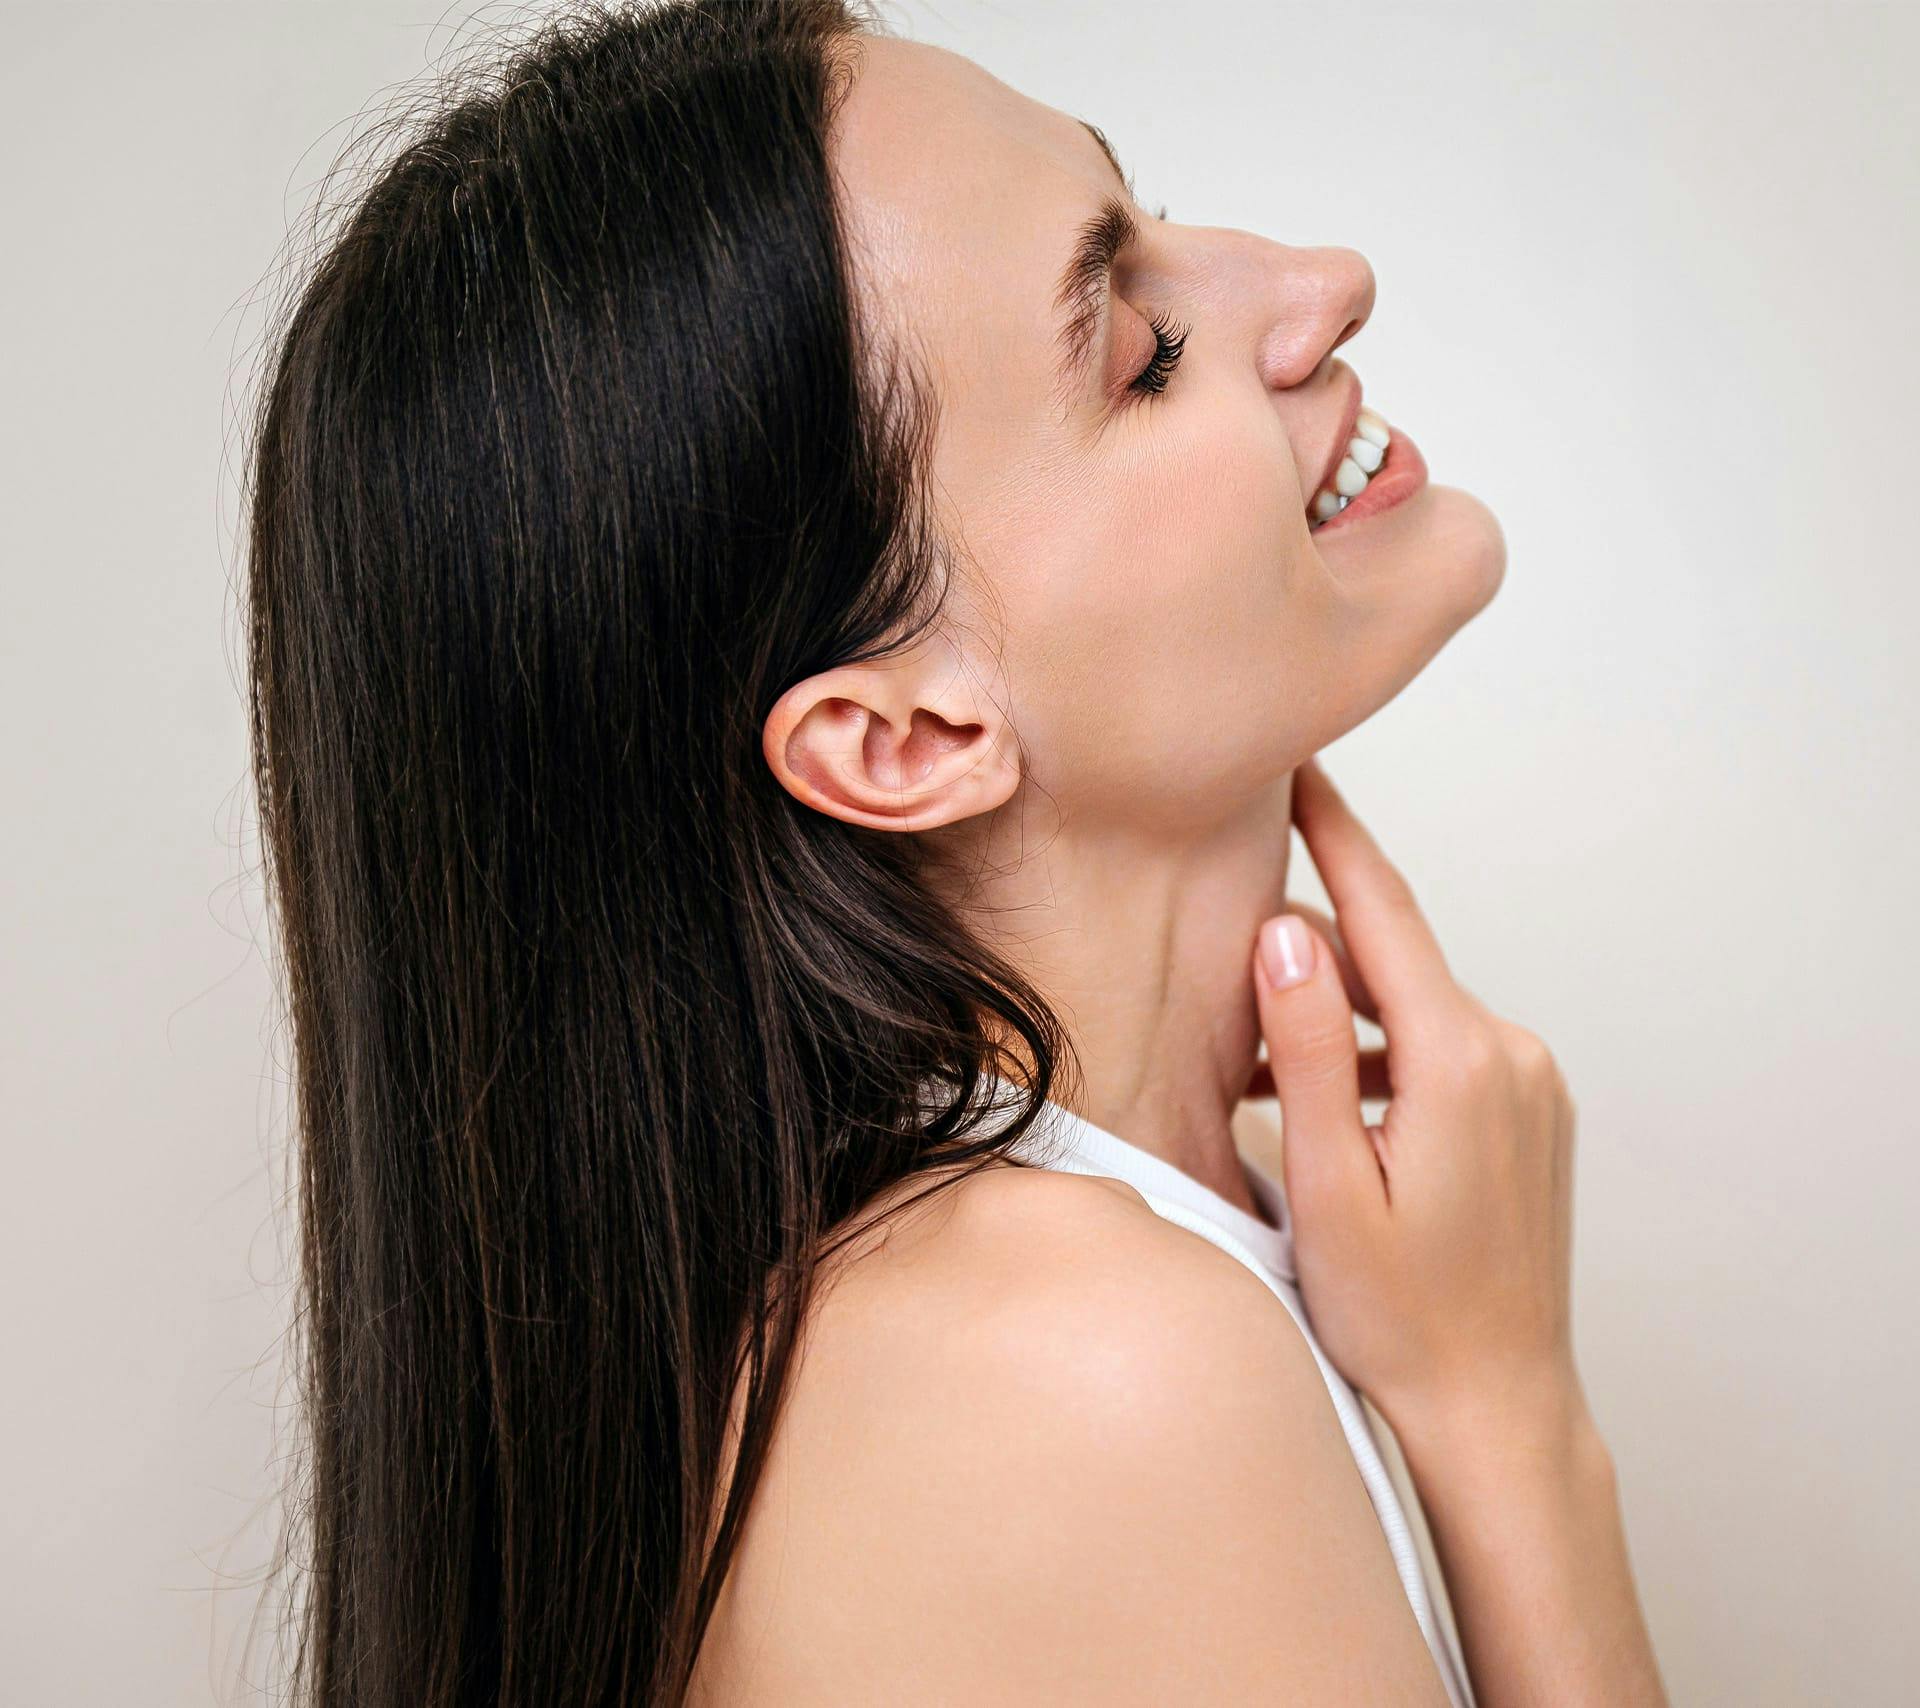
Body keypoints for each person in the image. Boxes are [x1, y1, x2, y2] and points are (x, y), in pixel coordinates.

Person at [242, 1, 1668, 1702]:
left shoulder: (1037, 1303)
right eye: (1141, 346)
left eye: (1148, 217)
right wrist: (1513, 1418)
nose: (1319, 282)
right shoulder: (1074, 1374)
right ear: (905, 738)